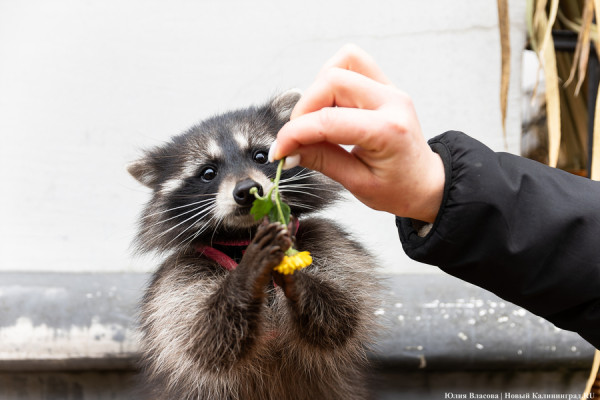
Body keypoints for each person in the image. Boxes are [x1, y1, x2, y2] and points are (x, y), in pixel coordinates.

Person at [269, 44, 600, 349]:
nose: (245, 185)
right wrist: (434, 188)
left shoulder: (315, 240)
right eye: (211, 173)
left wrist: (434, 189)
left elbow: (336, 331)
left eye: (259, 157)